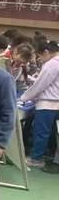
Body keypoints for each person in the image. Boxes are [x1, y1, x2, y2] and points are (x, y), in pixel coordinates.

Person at [21, 40, 59, 169]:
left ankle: (36, 159)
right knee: (52, 133)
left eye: (39, 56)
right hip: (55, 103)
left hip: (48, 104)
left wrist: (24, 97)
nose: (39, 59)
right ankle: (48, 155)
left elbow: (40, 85)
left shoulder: (51, 64)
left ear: (46, 52)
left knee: (41, 133)